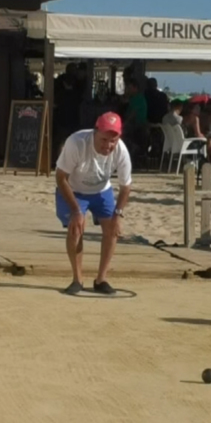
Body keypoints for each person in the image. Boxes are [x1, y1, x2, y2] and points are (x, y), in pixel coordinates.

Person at [55, 112, 132, 296]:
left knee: (112, 229)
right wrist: (75, 210)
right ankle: (77, 279)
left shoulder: (121, 150)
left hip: (101, 189)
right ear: (95, 132)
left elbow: (126, 186)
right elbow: (60, 177)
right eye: (104, 139)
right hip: (73, 188)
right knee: (76, 229)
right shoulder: (76, 142)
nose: (108, 145)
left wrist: (117, 215)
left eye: (113, 141)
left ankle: (101, 279)